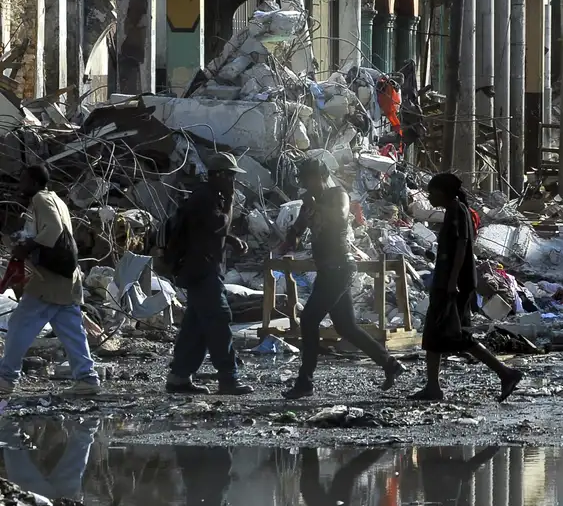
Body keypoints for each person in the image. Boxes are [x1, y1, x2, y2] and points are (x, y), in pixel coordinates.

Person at [279, 160, 405, 399]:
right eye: (304, 180)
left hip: (339, 268)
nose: (307, 184)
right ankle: (390, 364)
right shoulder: (310, 203)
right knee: (346, 327)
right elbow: (297, 231)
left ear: (322, 176)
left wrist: (315, 207)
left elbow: (339, 217)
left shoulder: (338, 195)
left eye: (310, 179)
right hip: (328, 269)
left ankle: (305, 382)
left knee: (308, 320)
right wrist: (291, 236)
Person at [412, 173, 522, 402]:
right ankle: (433, 386)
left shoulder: (457, 211)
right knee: (437, 333)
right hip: (448, 281)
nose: (430, 197)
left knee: (454, 334)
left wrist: (452, 282)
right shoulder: (455, 210)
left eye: (432, 192)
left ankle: (505, 373)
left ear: (443, 192)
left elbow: (461, 246)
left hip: (454, 283)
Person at [0, 165, 99, 397]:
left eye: (23, 180)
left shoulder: (40, 200)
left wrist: (27, 248)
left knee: (19, 325)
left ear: (34, 183)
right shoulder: (57, 200)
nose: (20, 185)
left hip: (50, 279)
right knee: (72, 330)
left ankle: (5, 379)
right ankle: (87, 378)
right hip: (67, 278)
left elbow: (53, 230)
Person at [164, 153, 253, 395]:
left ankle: (179, 377)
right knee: (219, 320)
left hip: (202, 269)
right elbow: (220, 223)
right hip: (202, 271)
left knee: (196, 326)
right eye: (232, 176)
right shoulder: (205, 198)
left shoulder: (208, 196)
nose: (234, 181)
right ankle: (228, 377)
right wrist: (231, 202)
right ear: (221, 175)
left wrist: (231, 240)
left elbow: (208, 230)